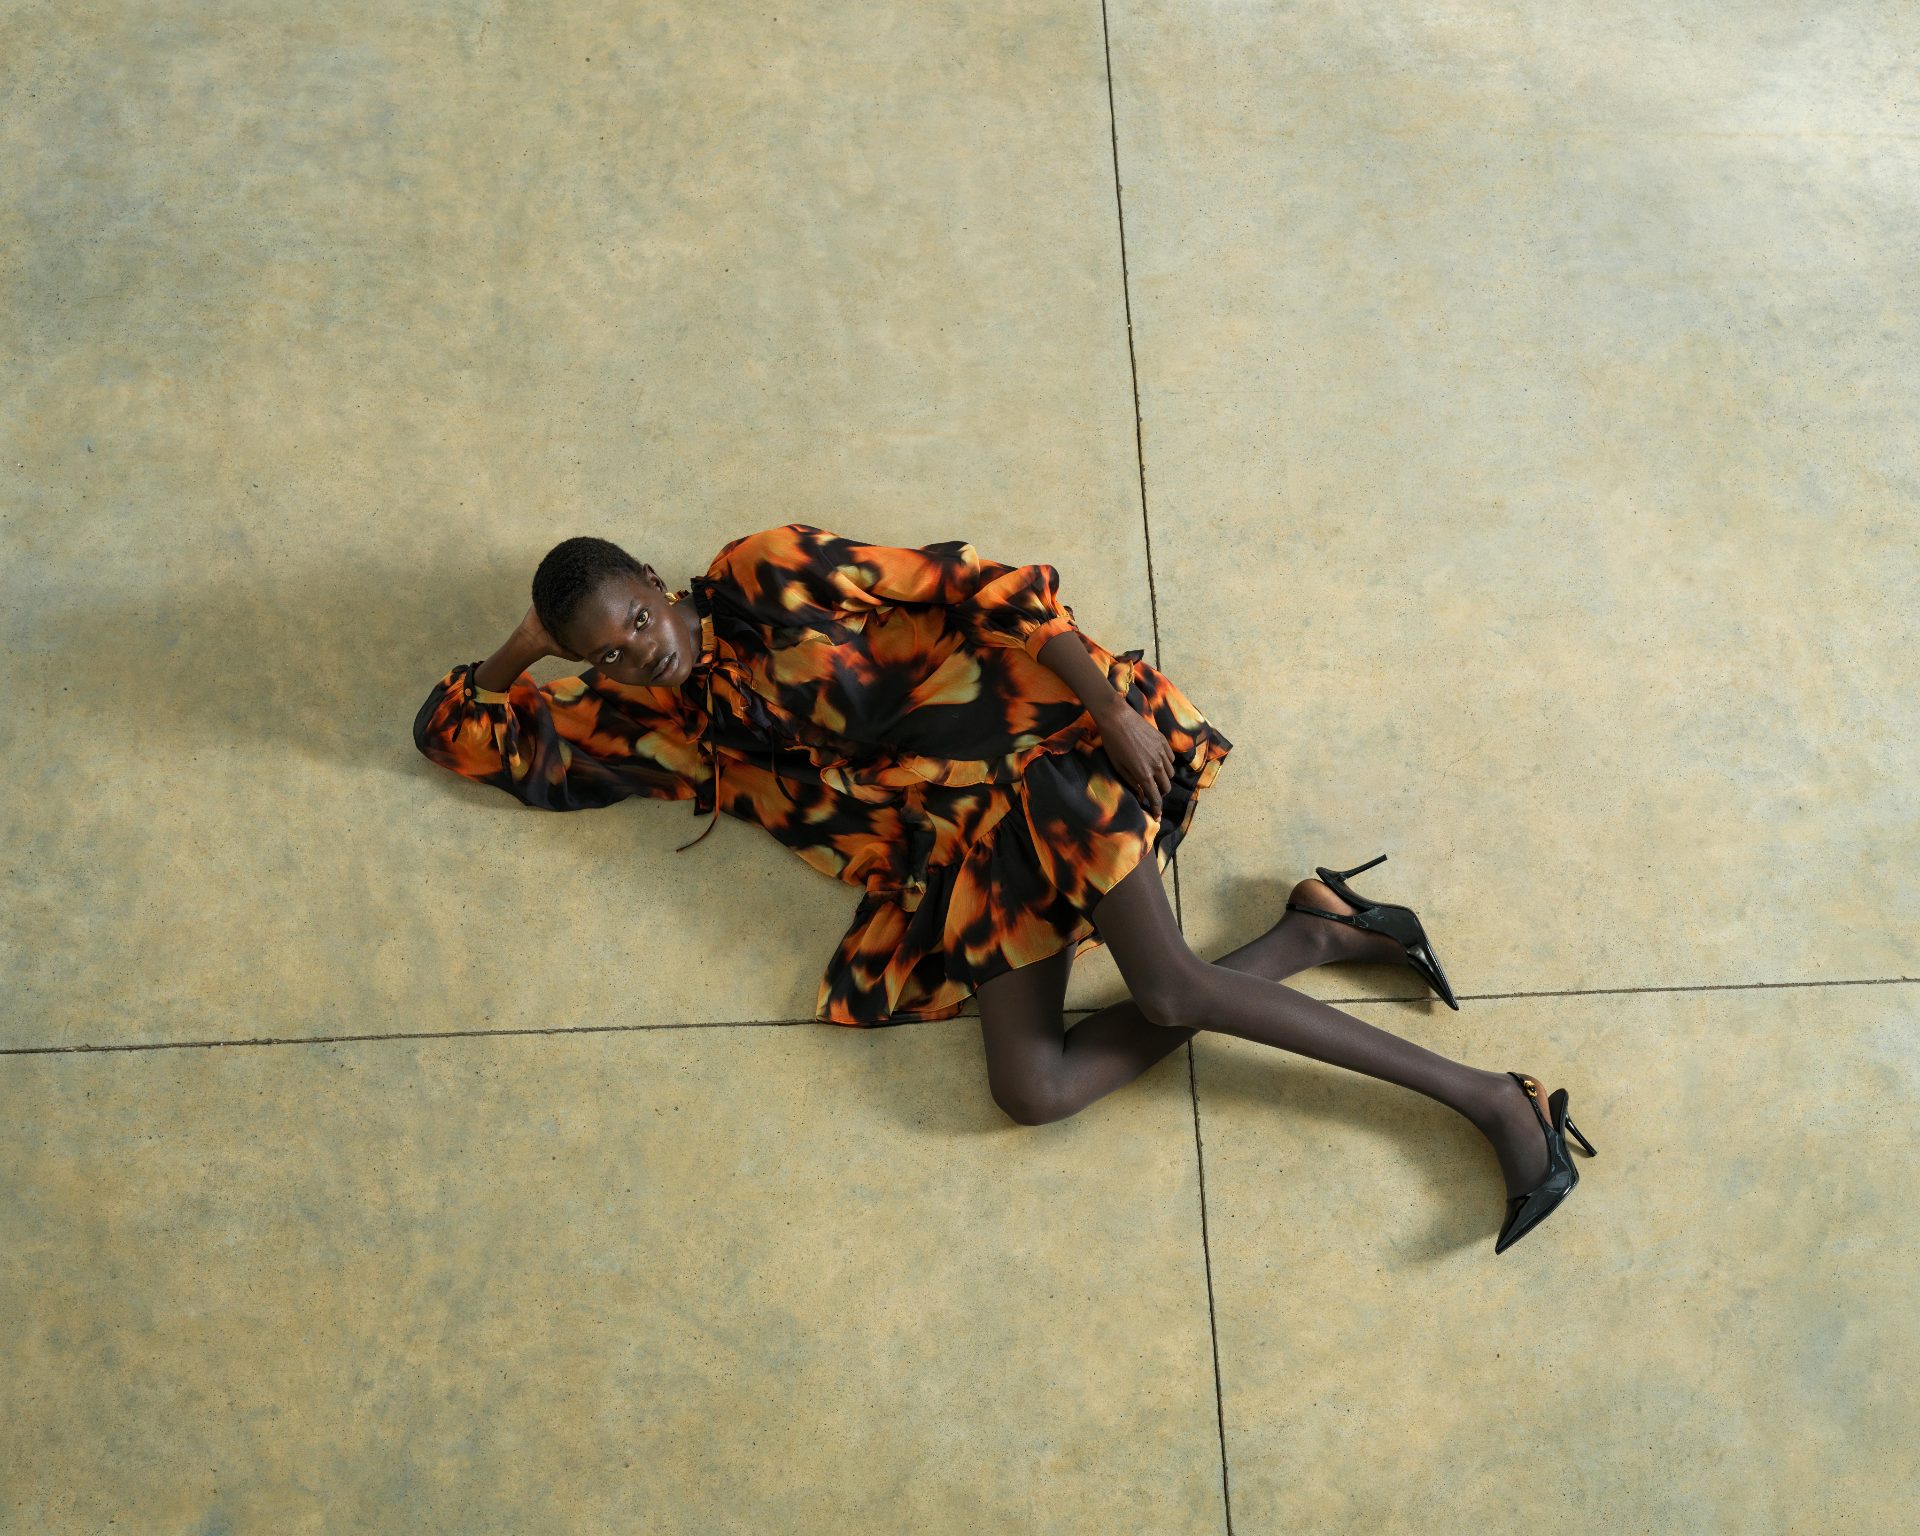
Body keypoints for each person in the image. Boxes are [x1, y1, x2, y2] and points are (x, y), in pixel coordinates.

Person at [412, 521, 1594, 1252]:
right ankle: (1313, 934)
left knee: (1170, 988)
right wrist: (528, 645)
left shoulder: (764, 574)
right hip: (965, 843)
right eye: (602, 651)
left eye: (632, 620)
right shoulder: (651, 717)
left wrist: (1108, 703)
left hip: (1038, 748)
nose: (633, 652)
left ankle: (1496, 1101)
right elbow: (454, 735)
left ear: (657, 584)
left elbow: (978, 580)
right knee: (1030, 1086)